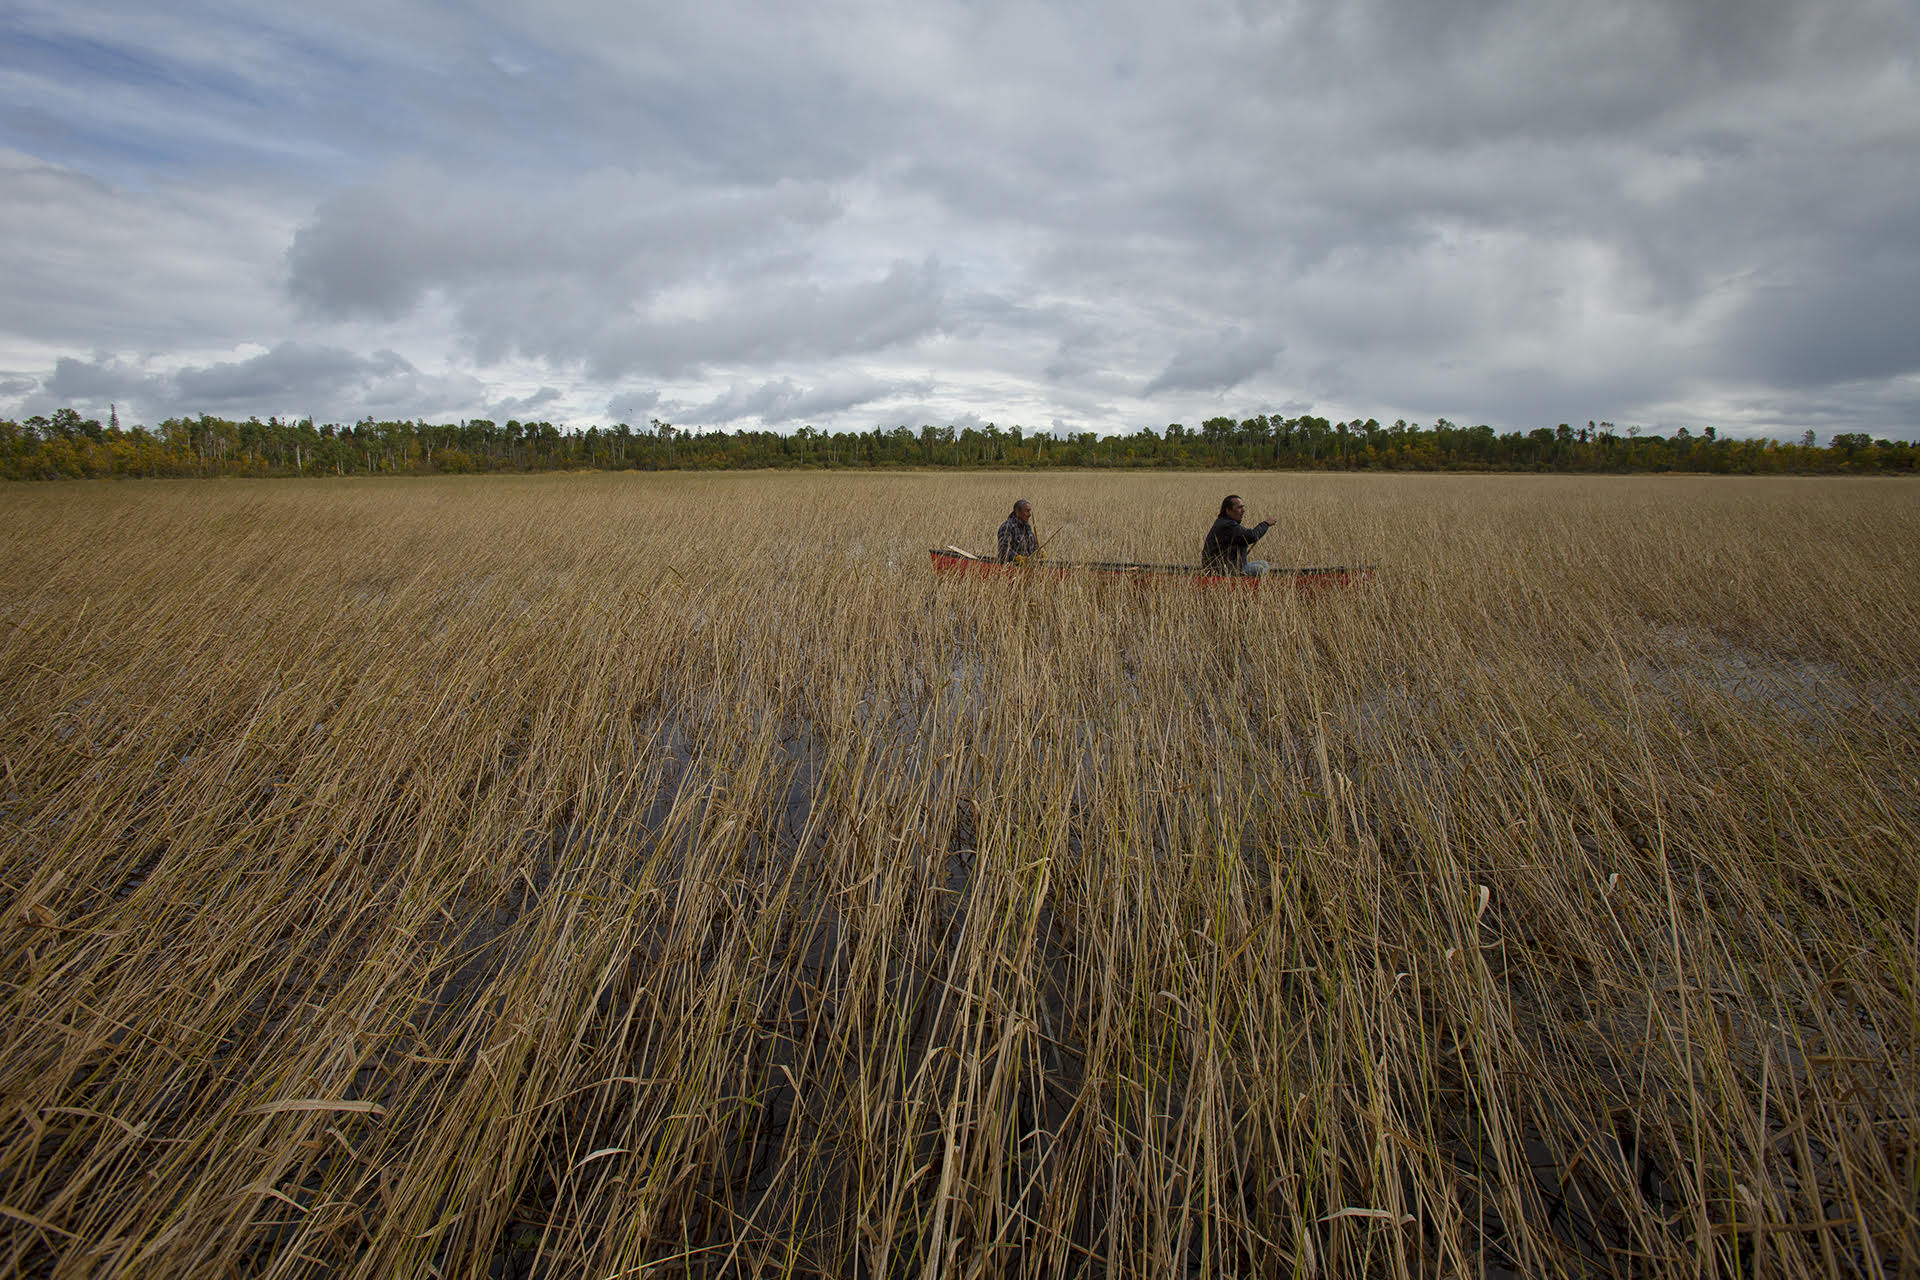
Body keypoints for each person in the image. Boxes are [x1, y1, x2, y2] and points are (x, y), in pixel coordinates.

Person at [1201, 495, 1274, 576]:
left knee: (1264, 564)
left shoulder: (1225, 522)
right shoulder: (1227, 525)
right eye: (1239, 508)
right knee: (1260, 569)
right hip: (1223, 570)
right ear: (1228, 510)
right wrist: (1266, 524)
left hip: (1233, 566)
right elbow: (1252, 536)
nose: (1243, 511)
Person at [997, 499, 1039, 563]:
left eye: (1030, 511)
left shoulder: (1027, 528)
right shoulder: (1007, 526)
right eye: (1027, 511)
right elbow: (1003, 549)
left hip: (1027, 567)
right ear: (1017, 512)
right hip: (1011, 567)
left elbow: (1033, 547)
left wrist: (1038, 552)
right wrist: (1017, 558)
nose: (1030, 514)